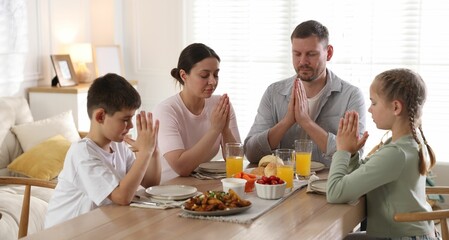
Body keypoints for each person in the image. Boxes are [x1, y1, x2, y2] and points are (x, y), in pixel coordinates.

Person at [327, 68, 437, 239]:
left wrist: (341, 150)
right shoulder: (406, 142)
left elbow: (335, 193)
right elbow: (359, 175)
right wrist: (352, 153)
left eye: (374, 103)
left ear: (395, 107)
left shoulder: (396, 153)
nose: (370, 109)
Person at [45, 73, 161, 228]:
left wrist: (153, 152)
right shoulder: (83, 153)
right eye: (125, 120)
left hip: (97, 227)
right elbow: (122, 196)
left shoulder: (118, 145)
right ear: (100, 117)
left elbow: (150, 183)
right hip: (64, 233)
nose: (131, 126)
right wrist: (144, 153)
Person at [244, 20, 366, 166]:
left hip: (327, 186)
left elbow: (353, 158)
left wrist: (306, 122)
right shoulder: (273, 93)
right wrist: (287, 121)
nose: (302, 61)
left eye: (311, 54)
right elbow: (251, 153)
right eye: (297, 54)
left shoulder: (351, 96)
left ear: (329, 53)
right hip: (283, 184)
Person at [153, 43, 240, 180]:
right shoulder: (166, 111)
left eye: (216, 75)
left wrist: (225, 130)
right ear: (183, 75)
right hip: (169, 188)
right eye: (204, 75)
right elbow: (182, 168)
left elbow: (236, 161)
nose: (212, 81)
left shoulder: (220, 105)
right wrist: (214, 129)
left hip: (203, 184)